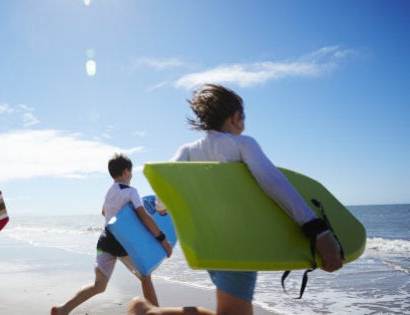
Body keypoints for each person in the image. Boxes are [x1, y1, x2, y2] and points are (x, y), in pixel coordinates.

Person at [128, 84, 343, 315]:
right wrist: (317, 230)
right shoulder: (242, 144)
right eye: (244, 117)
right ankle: (147, 312)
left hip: (205, 245)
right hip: (238, 243)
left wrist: (162, 208)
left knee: (233, 310)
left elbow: (163, 195)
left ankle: (148, 312)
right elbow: (273, 182)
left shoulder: (188, 151)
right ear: (235, 117)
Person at [51, 153, 173, 315]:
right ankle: (157, 313)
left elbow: (104, 212)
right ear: (126, 172)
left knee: (99, 285)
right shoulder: (131, 191)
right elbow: (144, 216)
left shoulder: (109, 192)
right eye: (131, 171)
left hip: (106, 240)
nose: (131, 175)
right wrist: (162, 239)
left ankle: (62, 309)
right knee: (146, 276)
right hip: (123, 243)